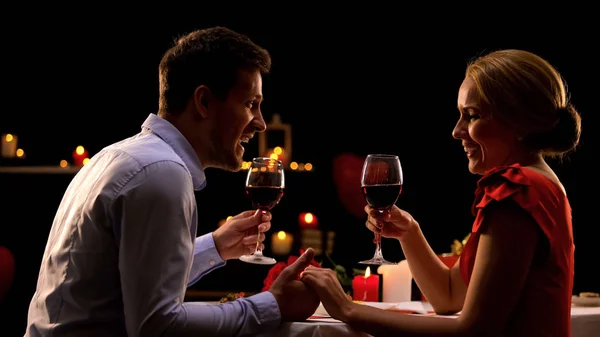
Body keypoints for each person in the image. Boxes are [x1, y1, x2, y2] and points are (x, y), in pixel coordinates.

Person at [25, 26, 319, 337]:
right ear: (204, 101)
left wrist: (216, 247)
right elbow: (158, 326)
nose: (259, 123)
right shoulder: (163, 173)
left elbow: (129, 278)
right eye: (250, 104)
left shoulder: (115, 156)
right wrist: (272, 305)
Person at [301, 49, 581, 336]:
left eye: (471, 116)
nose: (456, 131)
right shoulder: (543, 183)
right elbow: (448, 298)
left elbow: (473, 329)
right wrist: (410, 233)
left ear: (520, 122)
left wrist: (349, 309)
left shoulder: (516, 189)